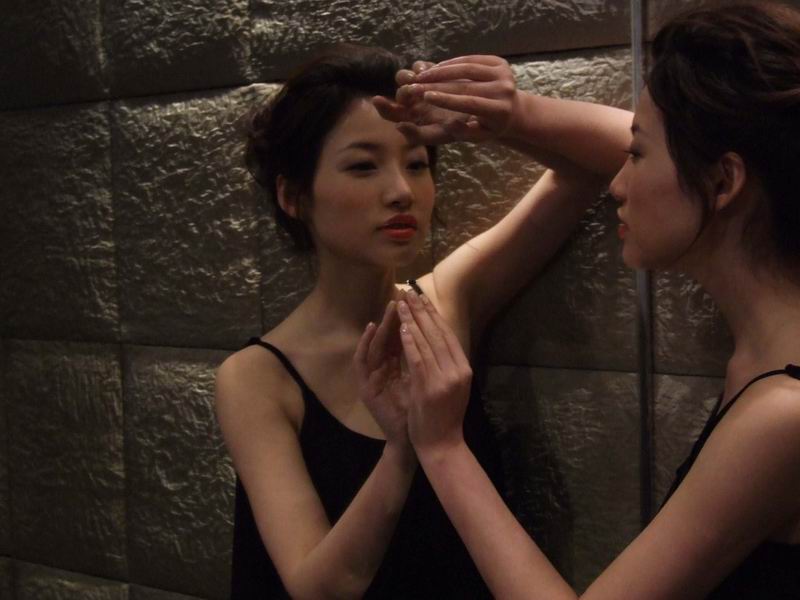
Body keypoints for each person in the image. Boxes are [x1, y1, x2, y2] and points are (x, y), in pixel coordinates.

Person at [365, 2, 800, 598]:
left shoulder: (781, 417)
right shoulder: (773, 349)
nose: (617, 181)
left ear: (724, 182)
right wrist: (513, 112)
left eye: (637, 154)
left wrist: (441, 445)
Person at [214, 43, 630, 598]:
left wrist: (502, 118)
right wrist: (403, 449)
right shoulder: (257, 379)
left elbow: (613, 158)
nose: (401, 192)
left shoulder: (446, 301)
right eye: (363, 166)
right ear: (293, 195)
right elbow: (318, 587)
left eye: (417, 164)